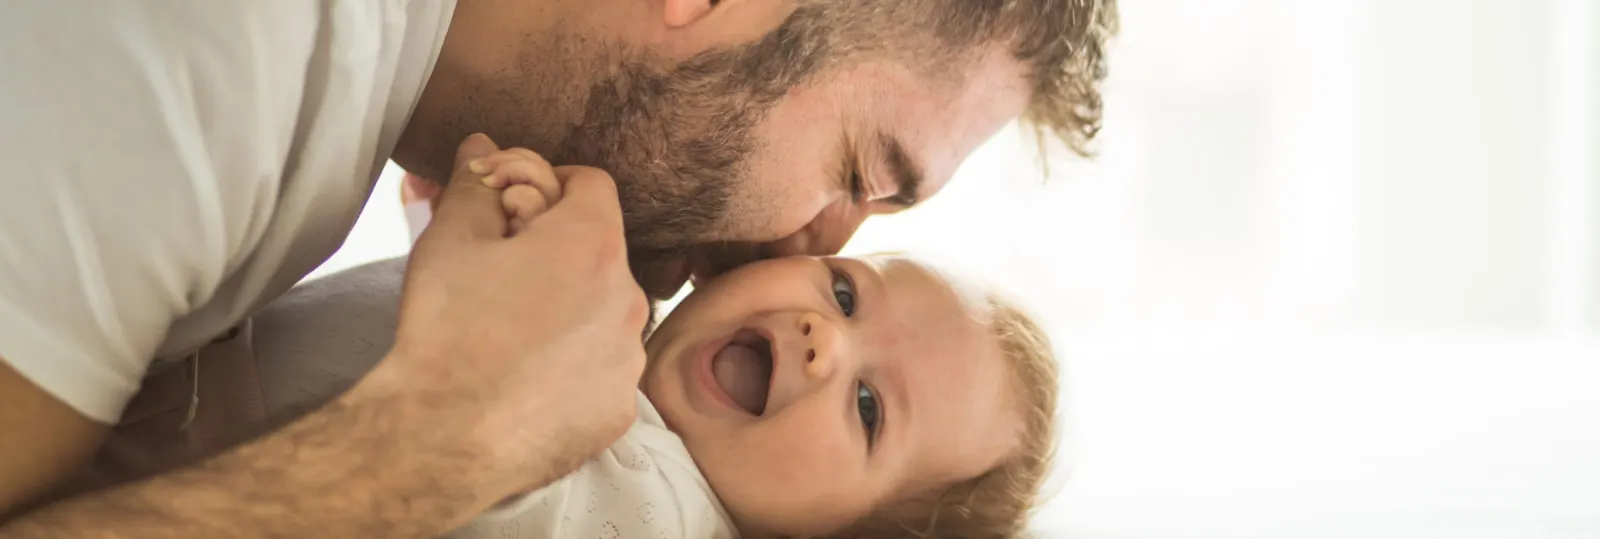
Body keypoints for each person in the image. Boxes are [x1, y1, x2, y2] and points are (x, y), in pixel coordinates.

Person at [0, 1, 1115, 535]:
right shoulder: (221, 46)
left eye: (872, 405)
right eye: (857, 173)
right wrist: (435, 434)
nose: (811, 247)